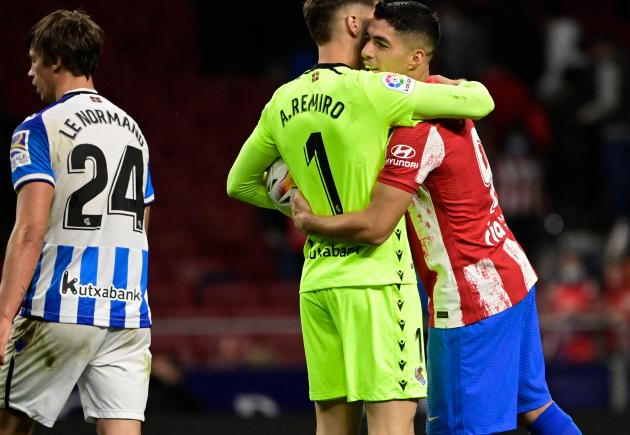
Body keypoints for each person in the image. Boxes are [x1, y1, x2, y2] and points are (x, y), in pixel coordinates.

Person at [291, 2, 581, 434]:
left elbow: (375, 226)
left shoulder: (417, 130)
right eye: (368, 39)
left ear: (415, 58)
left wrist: (312, 221)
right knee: (536, 408)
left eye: (381, 43)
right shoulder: (445, 91)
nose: (367, 52)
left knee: (456, 428)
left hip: (469, 299)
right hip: (510, 275)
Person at [227, 0, 495, 433]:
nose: (374, 20)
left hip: (317, 282)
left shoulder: (282, 100)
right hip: (378, 283)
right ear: (353, 23)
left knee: (333, 427)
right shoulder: (375, 90)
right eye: (369, 13)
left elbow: (238, 183)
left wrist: (298, 205)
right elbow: (479, 102)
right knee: (392, 422)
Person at [0, 10, 155, 435]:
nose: (30, 70)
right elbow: (141, 226)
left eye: (34, 59)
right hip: (126, 312)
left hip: (61, 306)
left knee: (5, 430)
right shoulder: (134, 132)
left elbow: (31, 229)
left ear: (55, 60)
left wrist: (1, 317)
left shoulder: (36, 129)